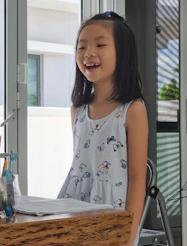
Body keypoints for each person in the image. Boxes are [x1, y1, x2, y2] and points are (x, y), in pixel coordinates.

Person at [57, 11, 148, 246]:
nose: (88, 53)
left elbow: (138, 178)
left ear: (123, 53)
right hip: (73, 209)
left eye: (100, 44)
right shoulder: (77, 110)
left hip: (112, 217)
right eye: (81, 46)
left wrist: (129, 232)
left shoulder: (133, 110)